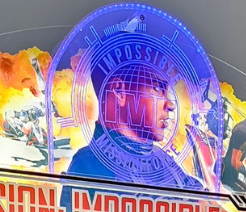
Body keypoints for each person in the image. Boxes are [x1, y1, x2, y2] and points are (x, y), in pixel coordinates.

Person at [61, 63, 203, 194]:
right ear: (119, 91)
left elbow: (202, 202)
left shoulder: (162, 159)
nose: (170, 105)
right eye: (158, 88)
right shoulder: (89, 165)